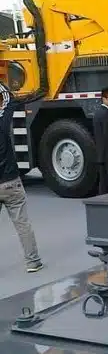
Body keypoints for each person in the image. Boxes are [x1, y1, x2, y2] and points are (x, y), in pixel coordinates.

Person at [0, 82, 42, 272]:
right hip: (11, 183)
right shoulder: (2, 124)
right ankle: (33, 262)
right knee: (22, 224)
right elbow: (10, 100)